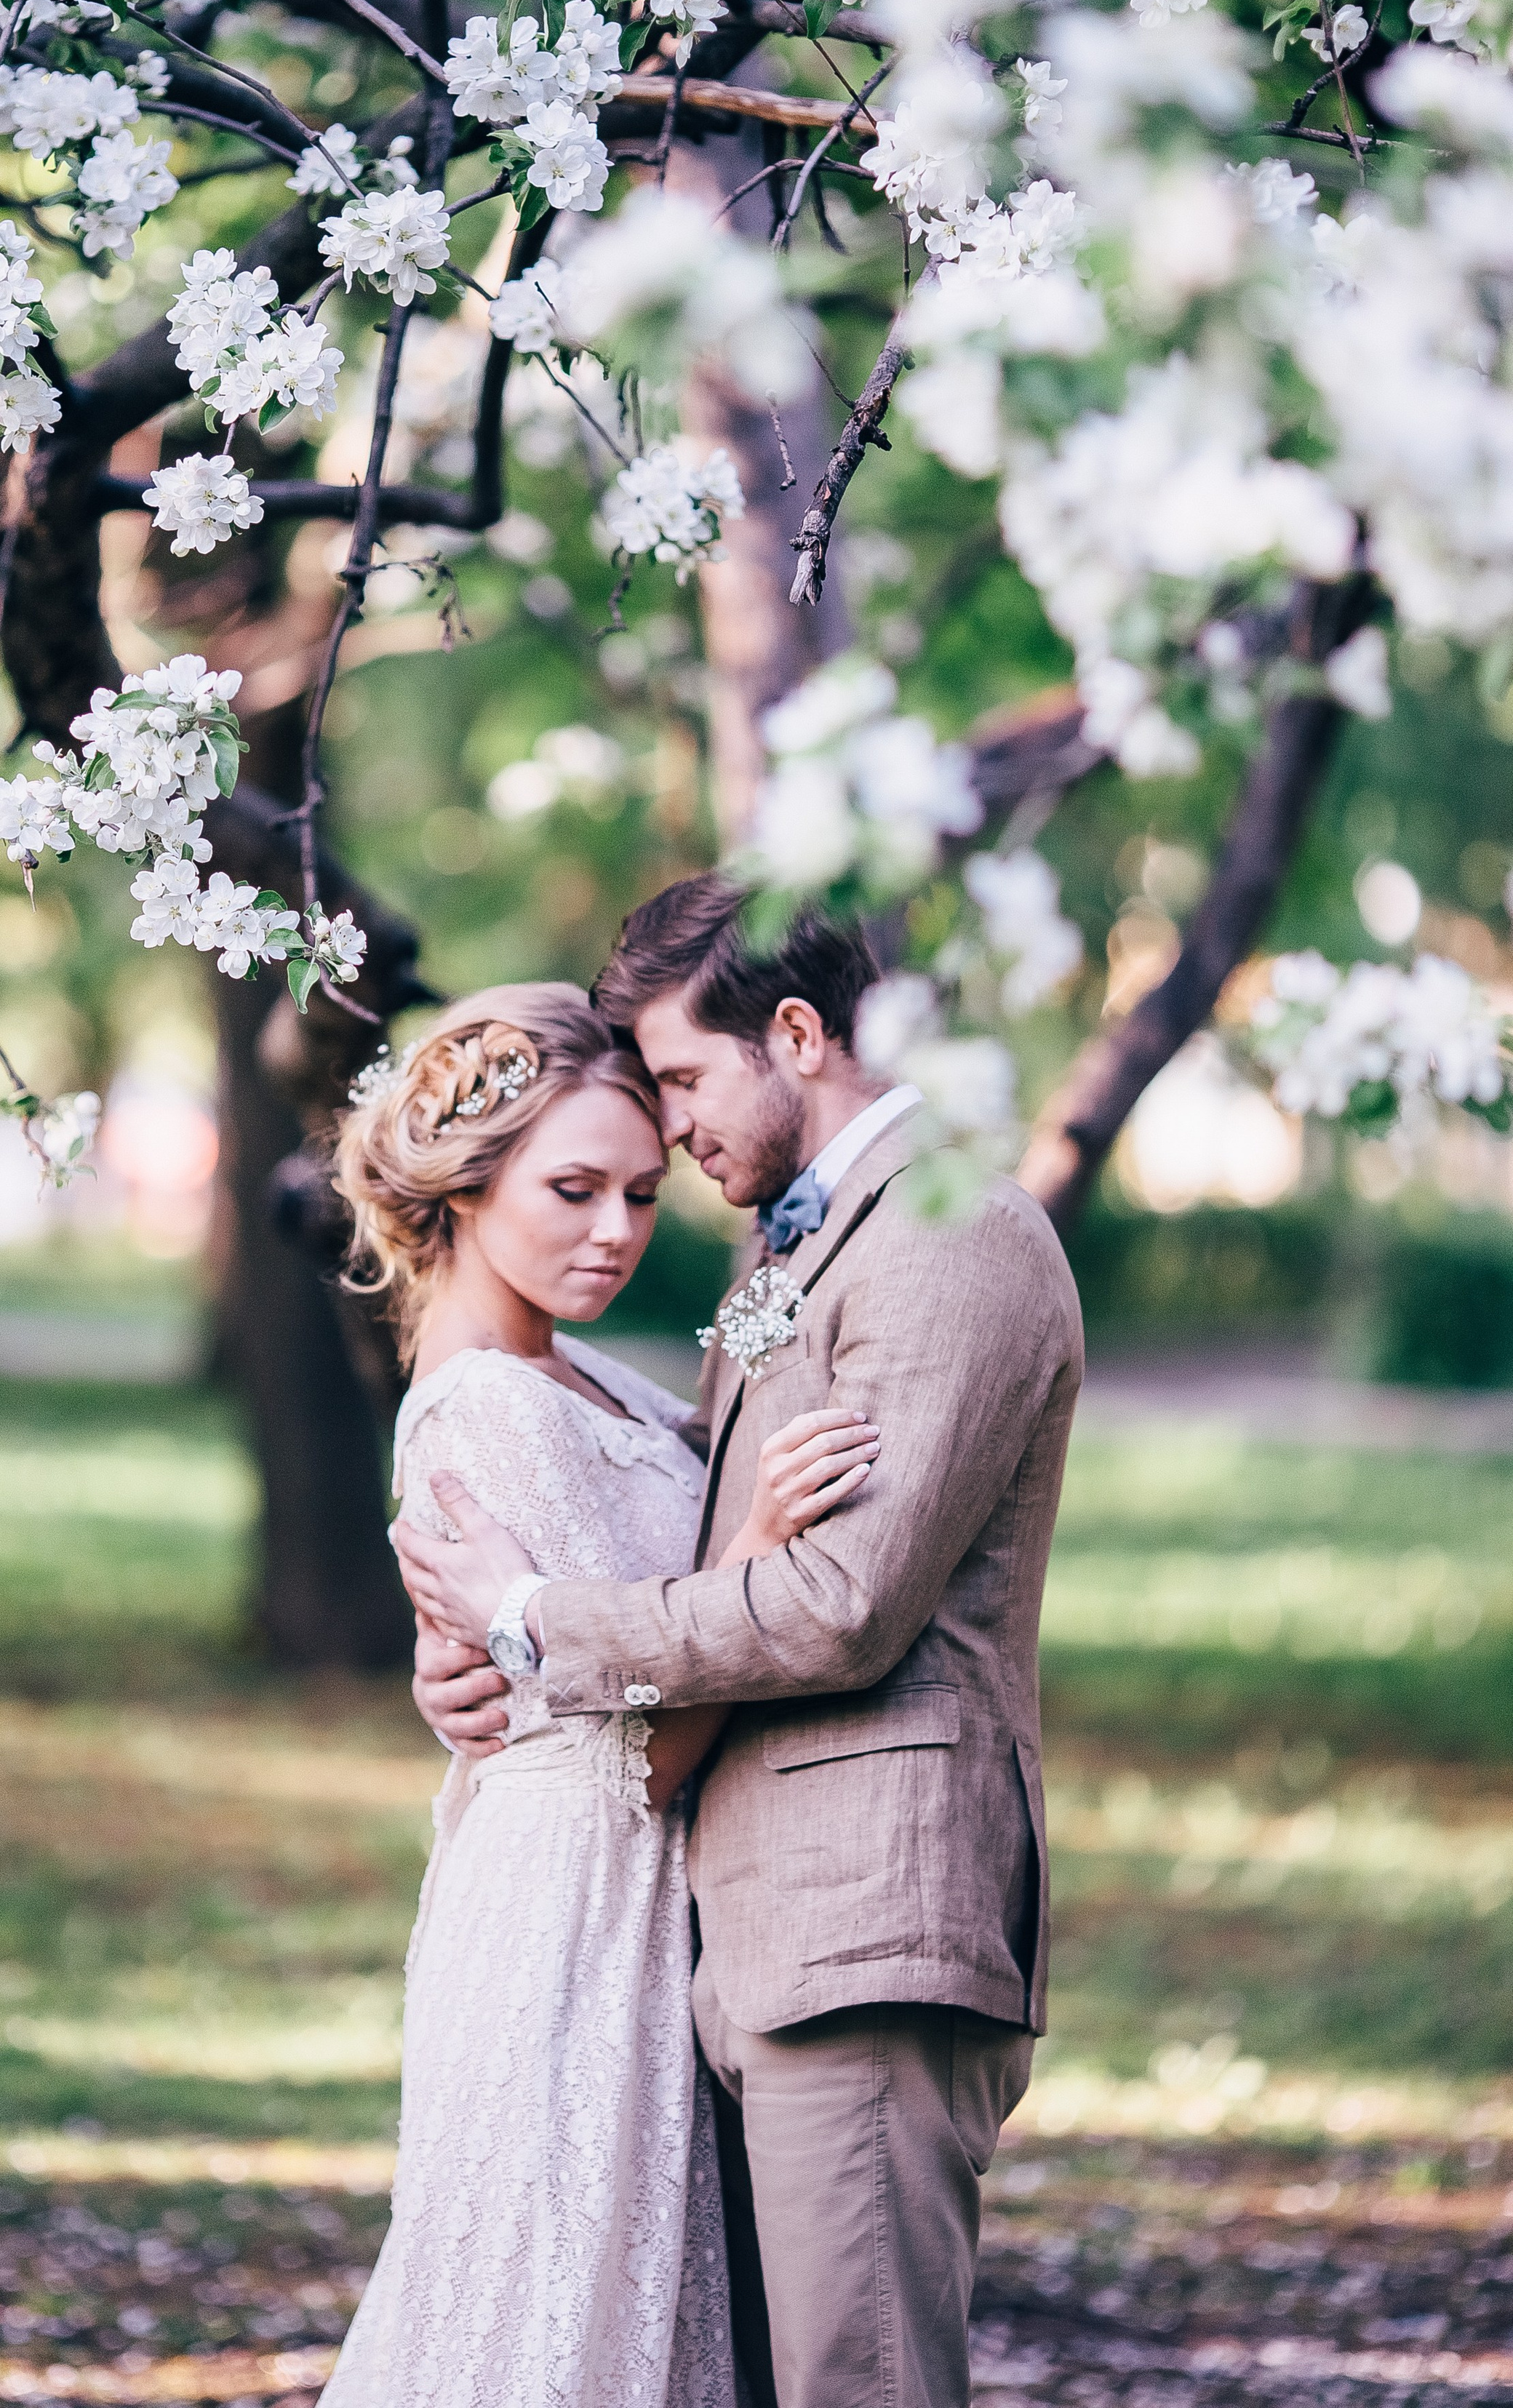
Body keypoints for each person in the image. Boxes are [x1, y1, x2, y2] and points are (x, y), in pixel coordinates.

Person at [397, 876, 1085, 2408]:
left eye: (687, 1082)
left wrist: (531, 1624)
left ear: (796, 1034)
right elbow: (697, 1531)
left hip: (865, 1922)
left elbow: (839, 1603)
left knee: (861, 2384)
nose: (676, 1129)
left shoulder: (945, 1230)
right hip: (739, 1935)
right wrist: (480, 1671)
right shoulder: (805, 1246)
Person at [321, 980, 882, 2408]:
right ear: (463, 1184)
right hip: (571, 1906)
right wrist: (758, 1556)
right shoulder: (481, 1406)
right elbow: (637, 1757)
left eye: (640, 1193)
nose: (616, 1233)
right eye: (572, 1191)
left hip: (625, 1892)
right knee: (547, 2320)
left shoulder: (573, 1372)